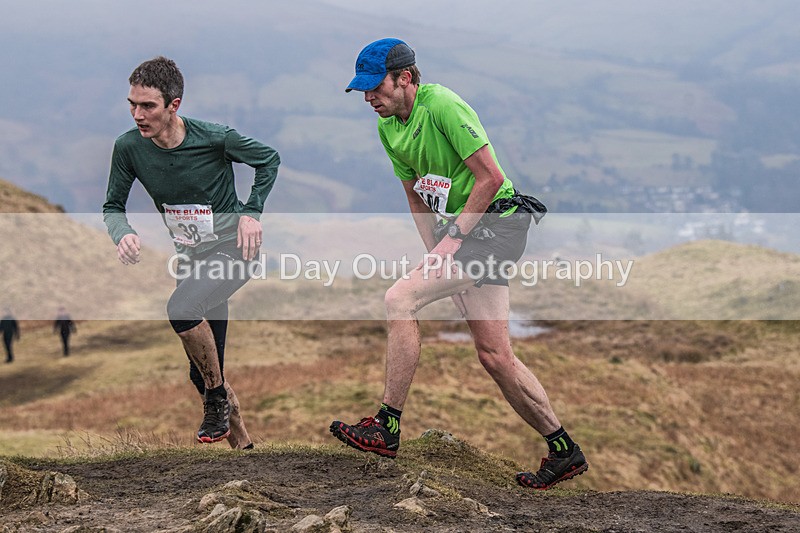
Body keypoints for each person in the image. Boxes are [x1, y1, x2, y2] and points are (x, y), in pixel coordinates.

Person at [330, 39, 588, 490]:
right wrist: (436, 254)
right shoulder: (389, 127)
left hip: (498, 225)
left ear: (405, 78)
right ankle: (563, 449)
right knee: (494, 355)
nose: (369, 98)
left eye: (376, 88)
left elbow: (490, 177)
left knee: (399, 298)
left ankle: (386, 427)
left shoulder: (443, 105)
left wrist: (453, 243)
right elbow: (414, 194)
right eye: (363, 91)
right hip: (467, 235)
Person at [103, 56, 280, 449]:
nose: (137, 114)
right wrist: (123, 234)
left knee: (182, 311)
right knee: (203, 371)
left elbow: (268, 159)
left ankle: (215, 401)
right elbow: (113, 206)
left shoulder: (214, 138)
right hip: (192, 261)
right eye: (132, 104)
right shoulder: (129, 148)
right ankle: (247, 451)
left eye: (147, 106)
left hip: (235, 251)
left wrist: (251, 213)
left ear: (173, 105)